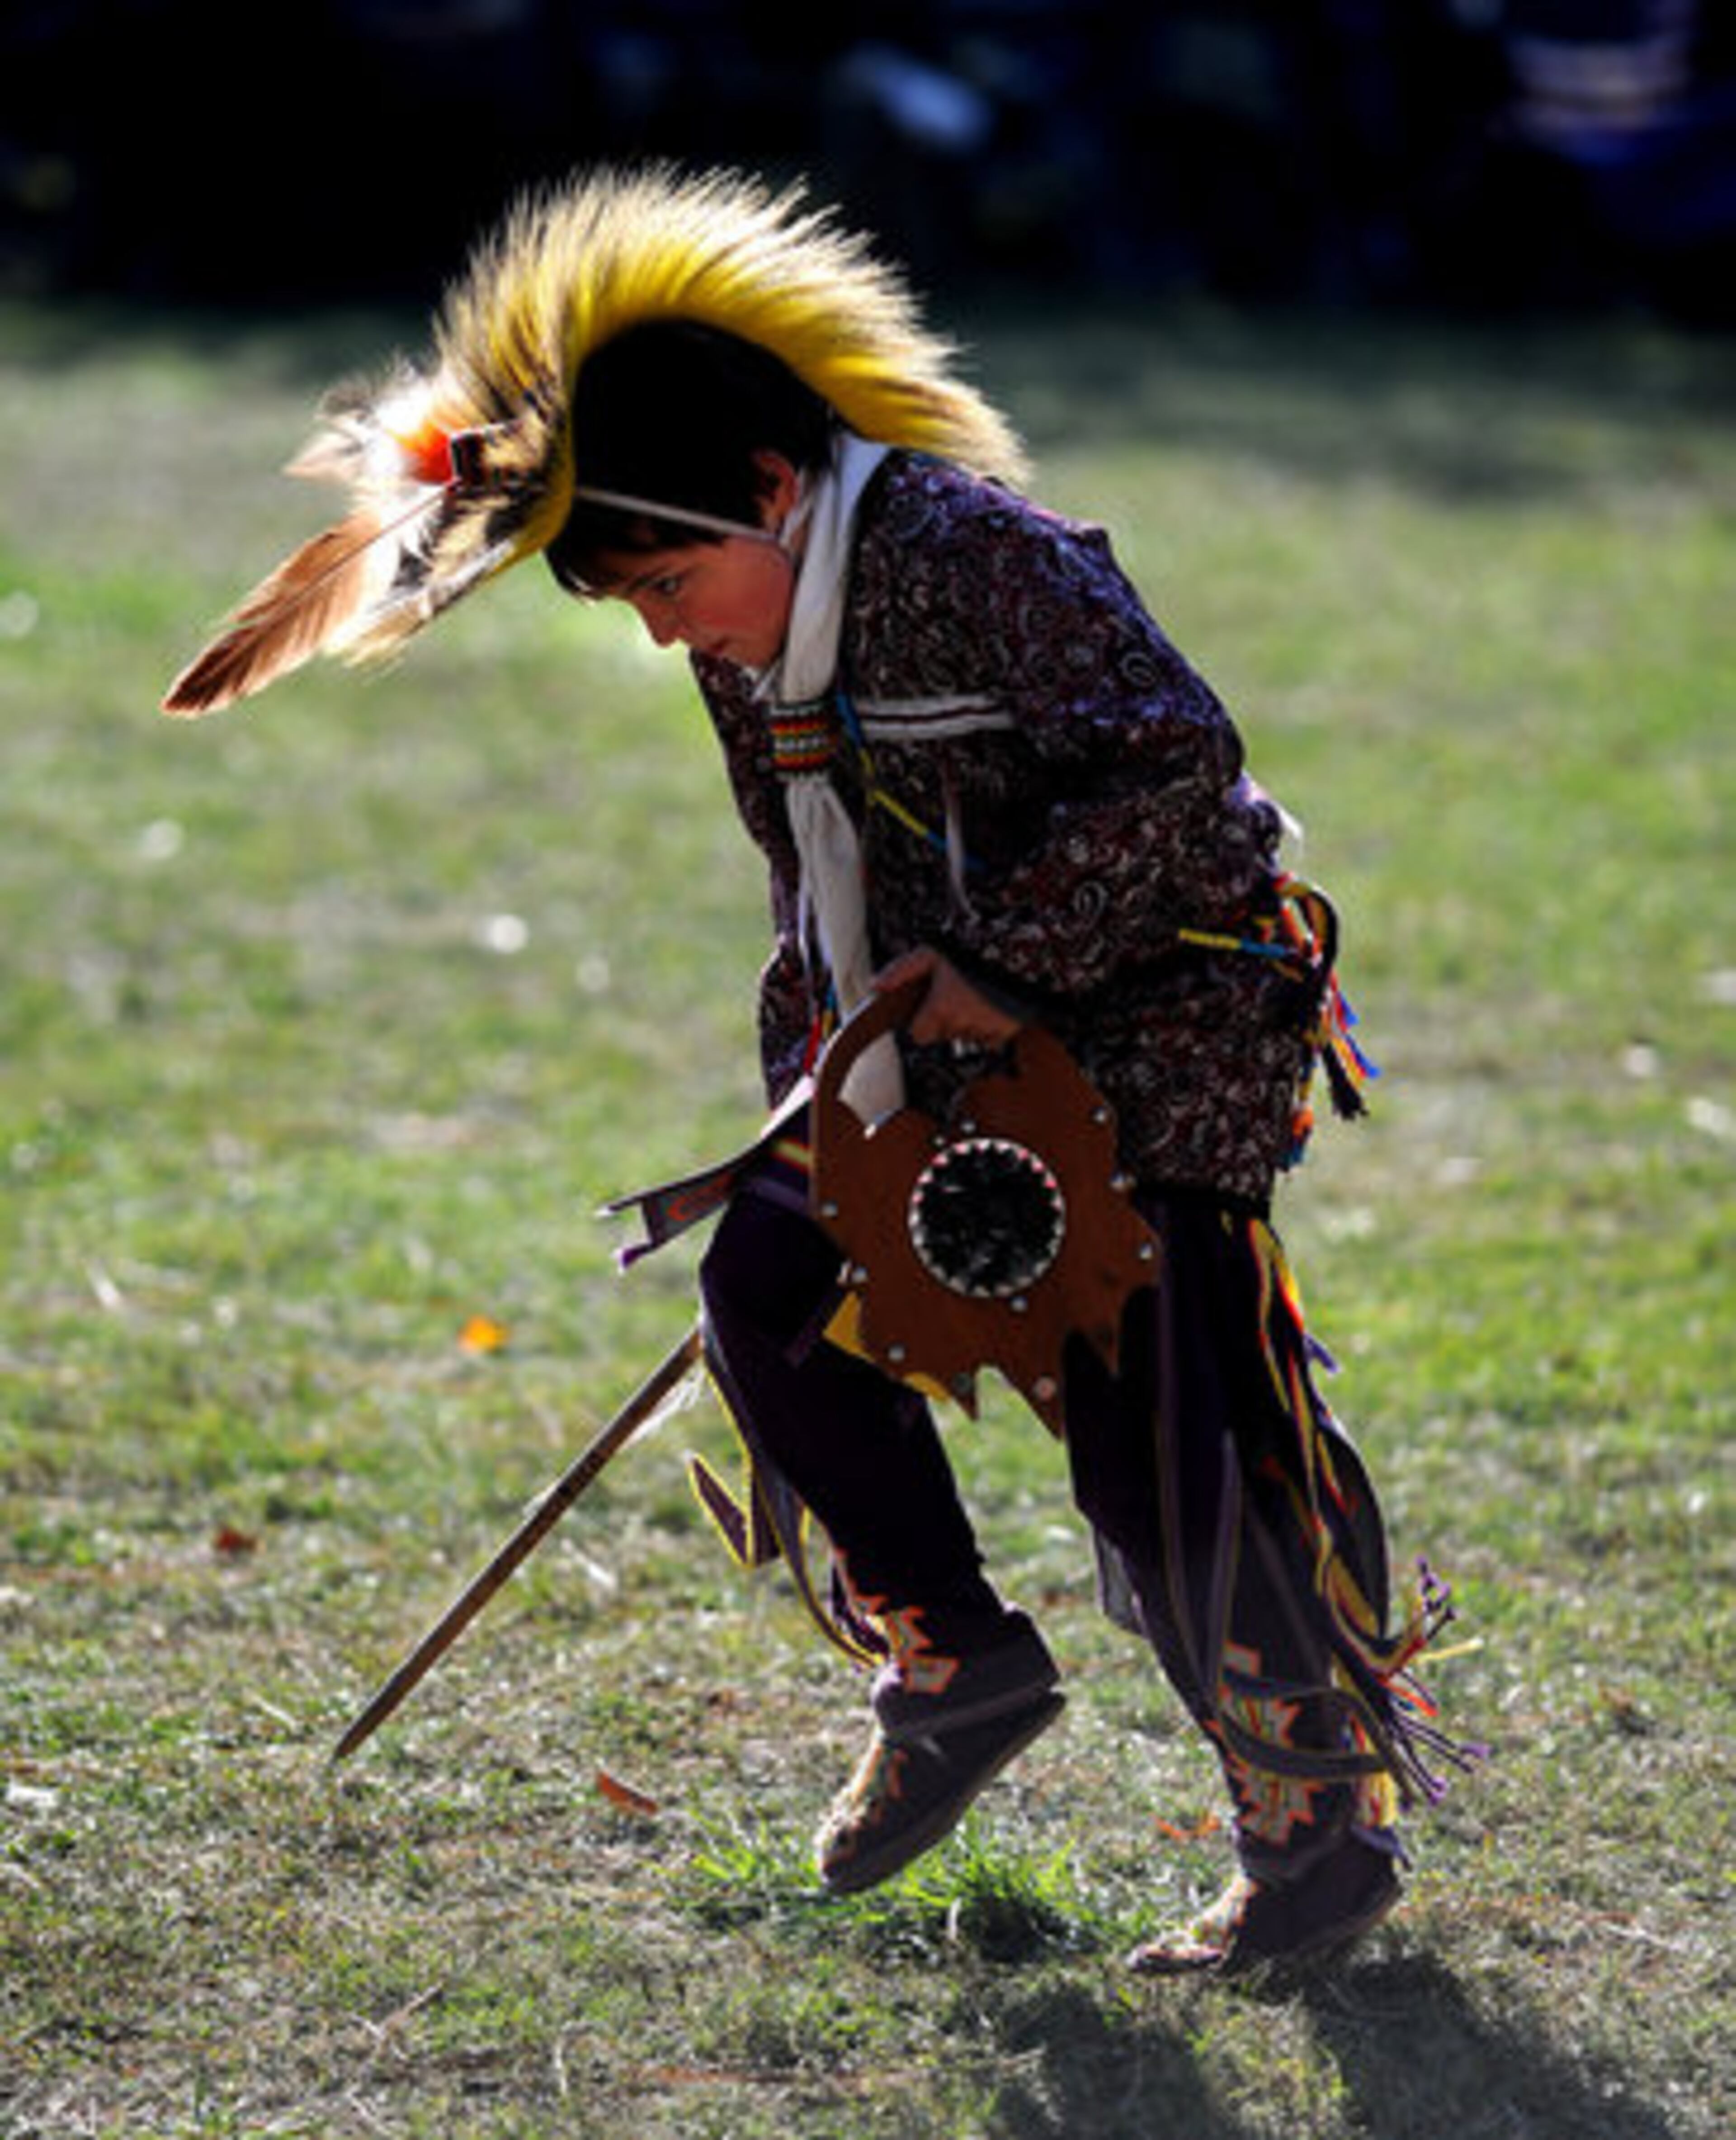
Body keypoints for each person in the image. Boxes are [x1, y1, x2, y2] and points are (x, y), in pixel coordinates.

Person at [163, 165, 1470, 1974]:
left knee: (1162, 1444)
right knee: (764, 1284)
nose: (666, 628)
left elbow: (1184, 780)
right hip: (927, 1055)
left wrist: (1006, 961)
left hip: (1161, 1030)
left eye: (672, 580)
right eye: (632, 603)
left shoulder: (978, 559)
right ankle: (952, 1664)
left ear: (774, 487)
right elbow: (814, 888)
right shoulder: (757, 629)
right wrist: (826, 1087)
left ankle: (1312, 1834)